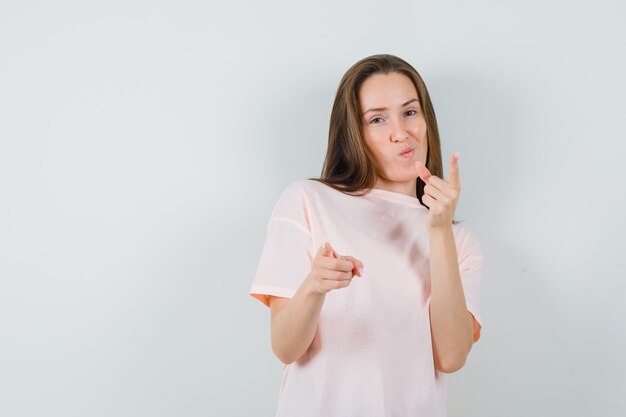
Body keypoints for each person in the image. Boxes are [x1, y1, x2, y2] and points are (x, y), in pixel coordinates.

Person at [249, 54, 484, 417]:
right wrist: (315, 286)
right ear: (354, 135)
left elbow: (451, 357)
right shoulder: (308, 200)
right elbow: (285, 348)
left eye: (409, 112)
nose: (400, 133)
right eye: (377, 119)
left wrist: (438, 233)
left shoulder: (460, 242)